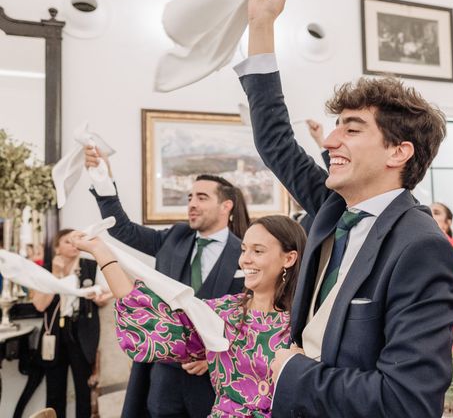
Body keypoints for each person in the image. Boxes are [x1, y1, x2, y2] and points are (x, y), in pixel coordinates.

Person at [233, 0, 453, 417]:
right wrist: (262, 24)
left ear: (399, 151)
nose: (332, 140)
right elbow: (275, 141)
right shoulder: (332, 209)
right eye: (336, 126)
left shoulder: (422, 248)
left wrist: (293, 372)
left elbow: (406, 403)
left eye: (352, 129)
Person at [71, 215, 304, 417]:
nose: (245, 259)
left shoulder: (304, 323)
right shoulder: (223, 313)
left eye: (258, 251)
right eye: (244, 250)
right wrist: (102, 253)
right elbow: (147, 316)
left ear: (289, 258)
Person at [84, 147, 250, 418]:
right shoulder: (173, 239)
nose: (192, 204)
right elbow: (122, 229)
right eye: (189, 197)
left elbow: (252, 315)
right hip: (164, 378)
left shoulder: (246, 253)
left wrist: (214, 359)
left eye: (202, 197)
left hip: (216, 379)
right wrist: (103, 180)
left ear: (226, 206)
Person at [32, 228, 112, 418]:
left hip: (82, 331)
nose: (74, 244)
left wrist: (100, 297)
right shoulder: (46, 269)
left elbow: (109, 294)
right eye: (67, 241)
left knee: (83, 391)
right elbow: (40, 305)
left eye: (76, 240)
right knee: (54, 391)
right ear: (57, 248)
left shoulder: (90, 266)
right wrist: (56, 275)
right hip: (54, 334)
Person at [431, 202, 453, 348]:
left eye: (437, 212)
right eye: (427, 211)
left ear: (448, 223)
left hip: (447, 312)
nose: (430, 215)